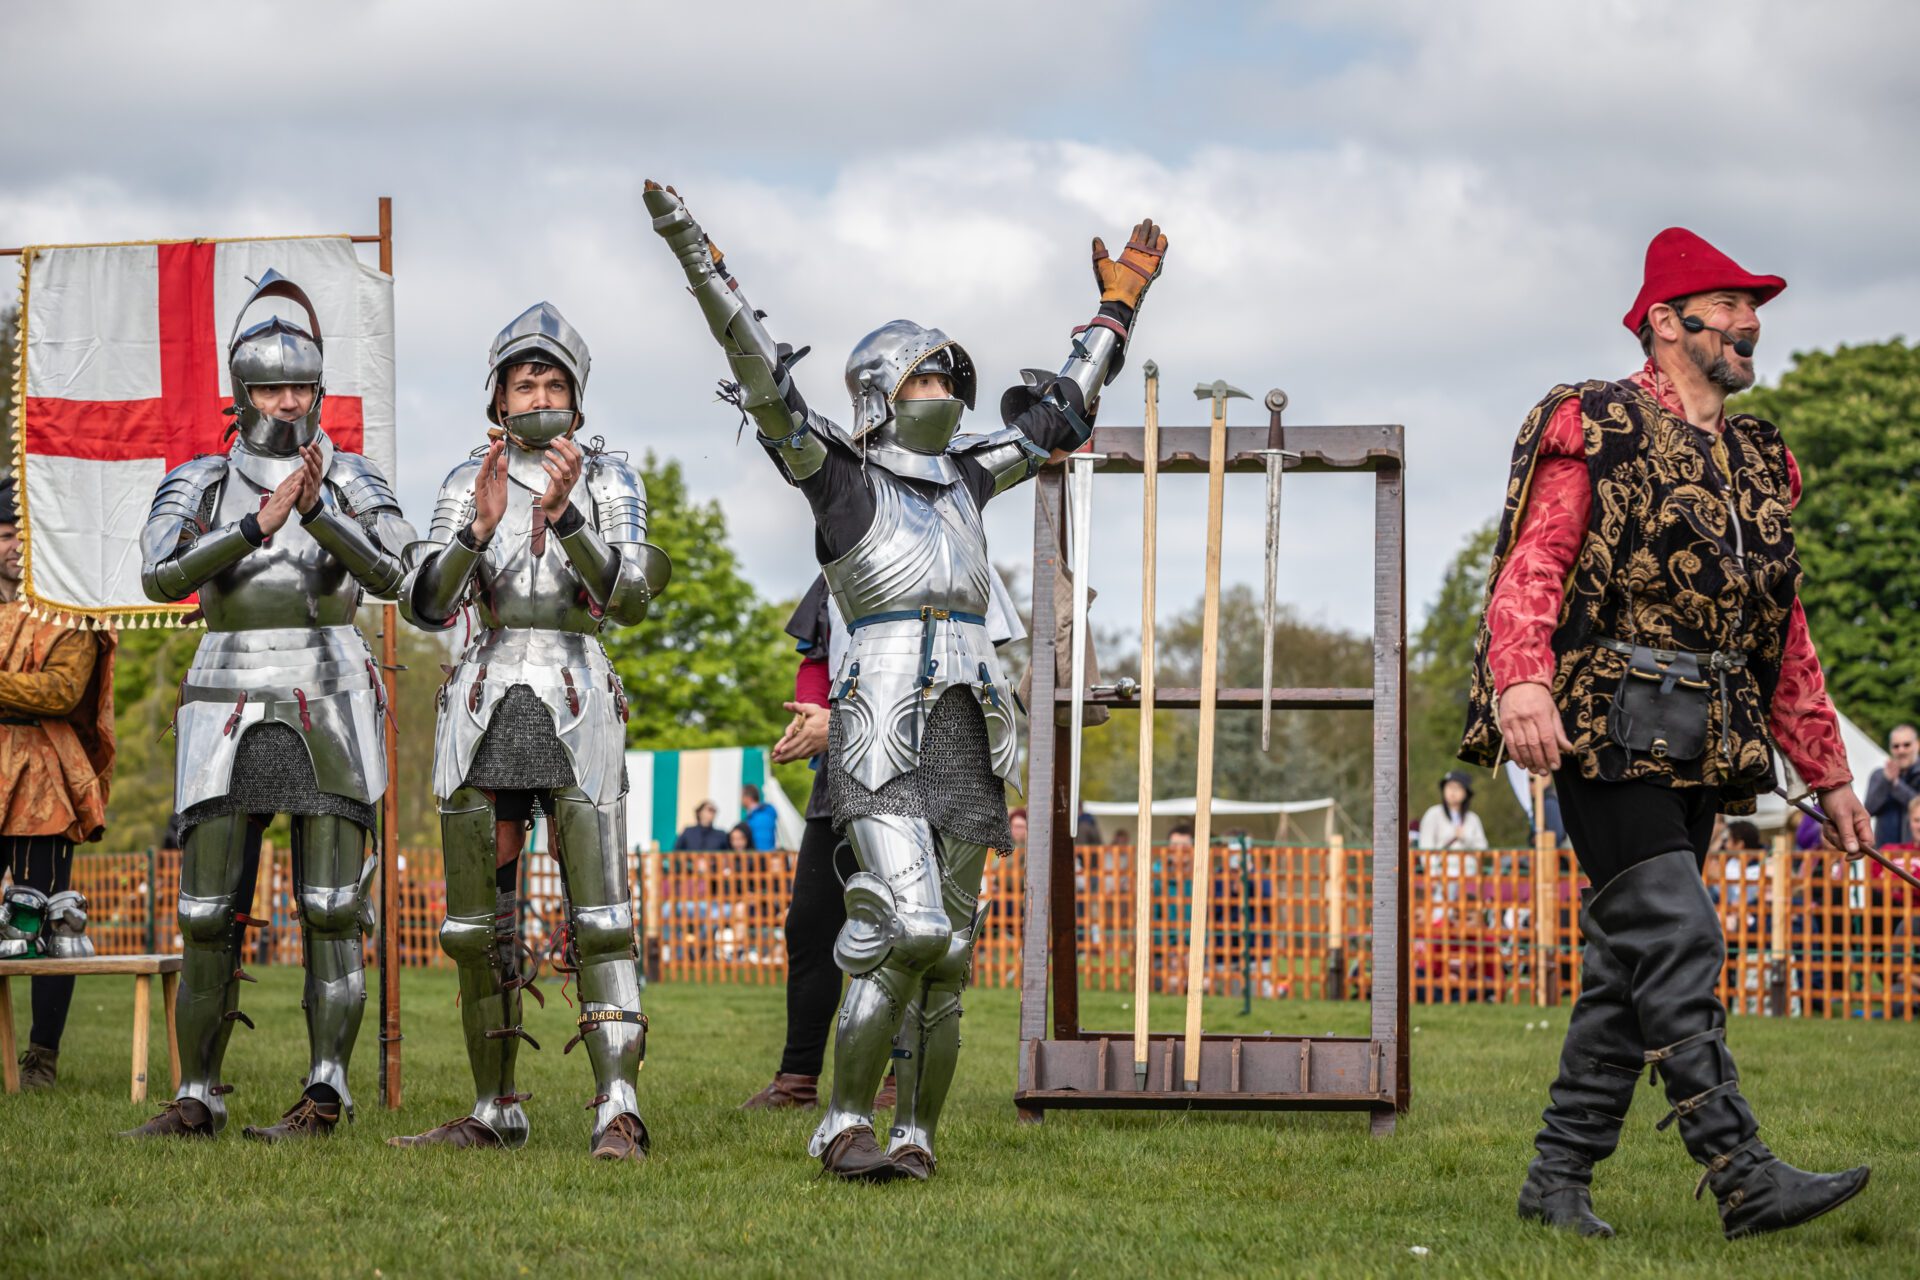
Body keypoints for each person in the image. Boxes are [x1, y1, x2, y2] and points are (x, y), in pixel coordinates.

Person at [647, 179, 1165, 1180]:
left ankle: (916, 1134)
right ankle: (840, 1119)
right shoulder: (839, 477)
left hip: (974, 724)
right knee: (907, 921)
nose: (946, 394)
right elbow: (764, 384)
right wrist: (702, 265)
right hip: (879, 722)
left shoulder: (971, 474)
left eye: (948, 378)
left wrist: (1117, 309)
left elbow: (1058, 414)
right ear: (885, 390)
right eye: (927, 379)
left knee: (952, 954)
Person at [1461, 228, 1874, 1240]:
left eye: (1752, 306)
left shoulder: (1757, 459)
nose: (1749, 321)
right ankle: (1741, 1169)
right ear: (1664, 320)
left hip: (1705, 738)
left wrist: (1832, 775)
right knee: (1681, 935)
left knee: (1628, 966)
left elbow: (1787, 633)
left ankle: (1555, 1181)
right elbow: (1536, 560)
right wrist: (1521, 679)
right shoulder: (1597, 423)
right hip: (1599, 726)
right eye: (1728, 303)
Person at [126, 272, 412, 1141]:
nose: (286, 403)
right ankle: (197, 1093)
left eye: (300, 386)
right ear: (240, 391)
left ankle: (325, 1092)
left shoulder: (354, 476)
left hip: (327, 683)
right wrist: (255, 525)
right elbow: (158, 571)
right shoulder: (201, 480)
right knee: (208, 910)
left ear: (319, 390)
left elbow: (399, 575)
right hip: (222, 688)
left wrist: (318, 512)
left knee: (330, 906)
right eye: (269, 387)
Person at [390, 302, 670, 1161]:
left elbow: (632, 595)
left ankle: (616, 1104)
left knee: (603, 920)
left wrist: (571, 514)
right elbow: (427, 603)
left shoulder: (611, 478)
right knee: (480, 925)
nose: (539, 393)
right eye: (525, 381)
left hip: (579, 693)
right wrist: (477, 528)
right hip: (482, 698)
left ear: (576, 399)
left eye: (553, 381)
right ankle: (494, 1105)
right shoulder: (461, 480)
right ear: (499, 398)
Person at [741, 569, 1023, 1112]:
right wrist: (815, 715)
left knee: (918, 928)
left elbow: (975, 665)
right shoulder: (840, 563)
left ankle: (899, 1074)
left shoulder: (965, 565)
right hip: (850, 767)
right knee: (811, 923)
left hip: (937, 762)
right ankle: (797, 1077)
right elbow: (817, 660)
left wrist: (838, 721)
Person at [0, 476, 117, 1090]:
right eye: (5, 533)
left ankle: (41, 1059)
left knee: (45, 921)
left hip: (43, 775)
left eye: (25, 533)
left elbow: (61, 690)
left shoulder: (68, 610)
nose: (15, 545)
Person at [1864, 724, 1920, 847]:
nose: (1901, 750)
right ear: (1890, 748)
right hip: (1885, 853)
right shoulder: (1879, 776)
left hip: (1916, 854)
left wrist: (1895, 784)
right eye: (1896, 746)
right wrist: (1885, 781)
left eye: (1906, 745)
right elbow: (1868, 810)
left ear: (1917, 744)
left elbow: (1917, 806)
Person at [1419, 771, 1488, 851]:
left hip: (1469, 863)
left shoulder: (1473, 818)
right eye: (1449, 786)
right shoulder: (1433, 814)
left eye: (1457, 787)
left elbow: (1483, 848)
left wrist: (1465, 837)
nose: (1452, 791)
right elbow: (1425, 848)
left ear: (1466, 793)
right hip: (1442, 863)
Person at [741, 784, 778, 851]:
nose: (740, 800)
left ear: (748, 798)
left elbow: (763, 845)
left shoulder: (761, 817)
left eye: (742, 797)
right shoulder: (757, 815)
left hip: (761, 858)